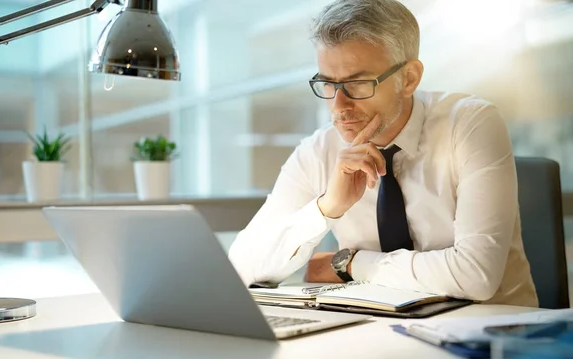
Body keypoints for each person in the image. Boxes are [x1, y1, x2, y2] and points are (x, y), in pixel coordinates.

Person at [228, 0, 538, 306]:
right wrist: (327, 207)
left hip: (490, 338)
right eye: (327, 83)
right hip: (376, 334)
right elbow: (242, 267)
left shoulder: (470, 123)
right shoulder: (318, 151)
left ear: (409, 78)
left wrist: (350, 264)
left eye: (358, 84)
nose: (339, 106)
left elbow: (475, 276)